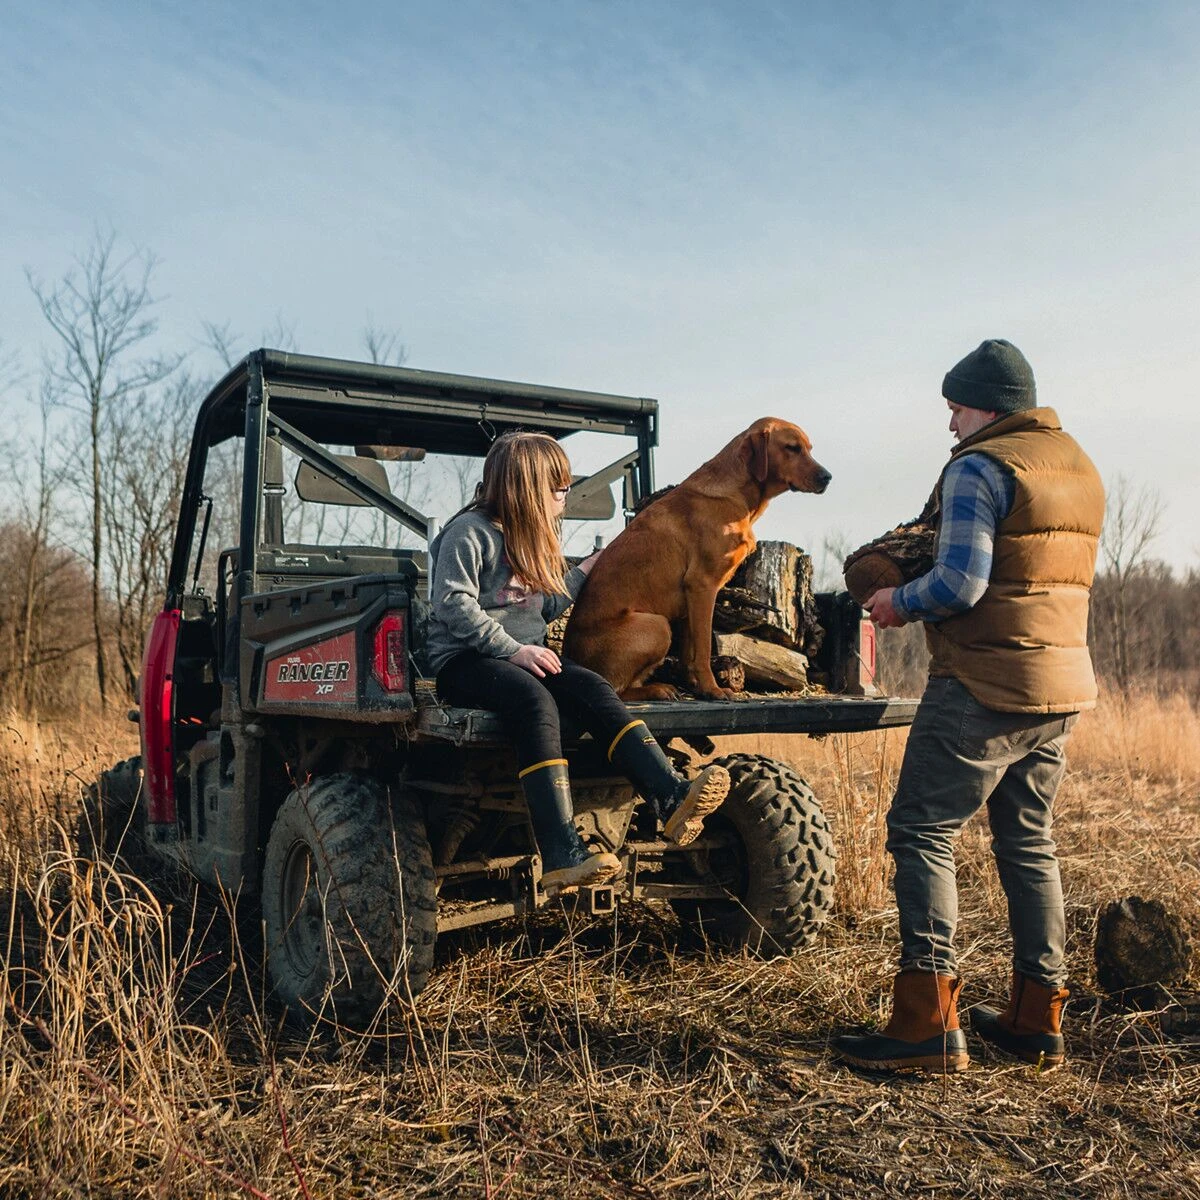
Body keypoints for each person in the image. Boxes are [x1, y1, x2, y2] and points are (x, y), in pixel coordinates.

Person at [833, 339, 1105, 1073]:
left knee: (921, 830)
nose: (950, 424)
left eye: (954, 408)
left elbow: (960, 586)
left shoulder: (981, 466)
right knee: (1029, 842)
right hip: (1058, 688)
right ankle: (1035, 1016)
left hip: (982, 684)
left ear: (983, 406)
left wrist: (895, 601)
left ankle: (925, 1024)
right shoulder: (1078, 466)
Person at [427, 430, 732, 896]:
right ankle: (560, 852)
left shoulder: (530, 538)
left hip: (522, 656)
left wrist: (587, 570)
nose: (565, 496)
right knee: (533, 702)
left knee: (591, 687)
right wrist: (513, 649)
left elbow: (540, 608)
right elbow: (453, 604)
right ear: (527, 487)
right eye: (560, 487)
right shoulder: (468, 533)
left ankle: (668, 795)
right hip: (466, 660)